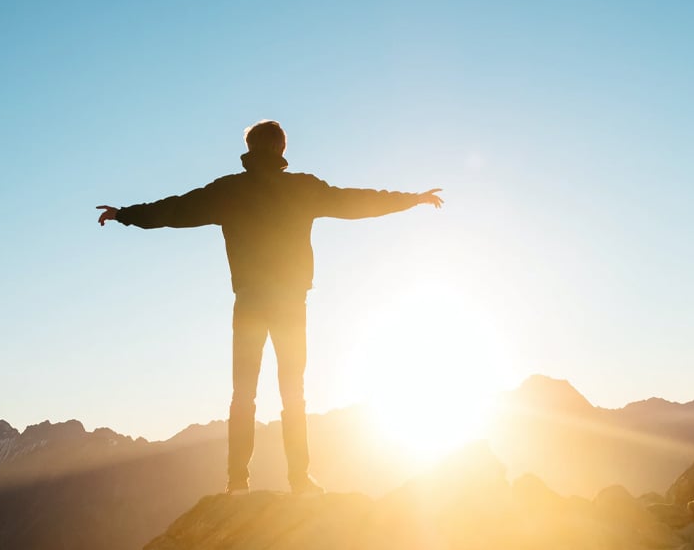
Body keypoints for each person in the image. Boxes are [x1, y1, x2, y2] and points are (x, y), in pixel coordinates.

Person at [97, 120, 443, 495]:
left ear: (250, 148)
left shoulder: (230, 190)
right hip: (291, 302)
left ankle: (236, 483)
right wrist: (413, 198)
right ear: (281, 149)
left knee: (243, 394)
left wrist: (124, 214)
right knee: (293, 391)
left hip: (249, 302)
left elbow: (175, 210)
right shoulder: (302, 188)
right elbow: (358, 201)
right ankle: (299, 480)